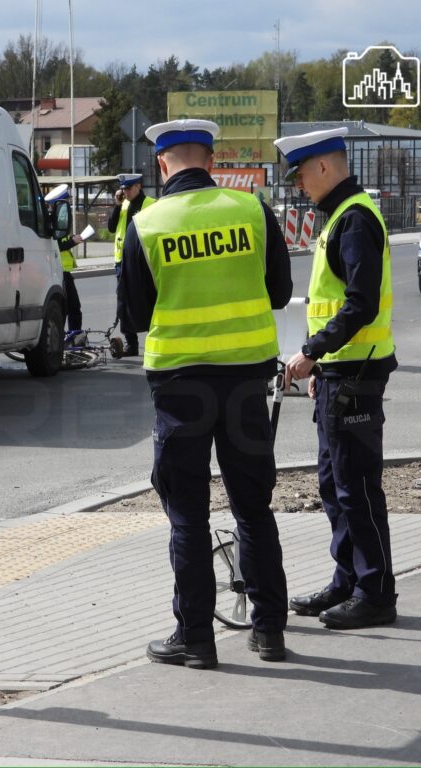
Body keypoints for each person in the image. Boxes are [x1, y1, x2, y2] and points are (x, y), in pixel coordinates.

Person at [121, 119, 292, 668]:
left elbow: (136, 315)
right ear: (211, 161)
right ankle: (269, 631)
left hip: (180, 387)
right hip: (246, 382)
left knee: (187, 516)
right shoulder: (252, 210)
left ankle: (196, 639)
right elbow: (281, 291)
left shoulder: (147, 224)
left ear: (162, 164)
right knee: (253, 509)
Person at [276, 126, 399, 630]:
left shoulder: (353, 220)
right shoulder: (343, 217)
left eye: (301, 175)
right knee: (335, 484)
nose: (299, 185)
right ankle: (347, 581)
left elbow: (359, 304)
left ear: (324, 167)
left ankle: (375, 593)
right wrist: (321, 365)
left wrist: (312, 352)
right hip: (340, 372)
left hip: (356, 373)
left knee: (357, 487)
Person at [108, 173, 155, 356]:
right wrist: (117, 205)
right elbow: (111, 227)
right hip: (122, 261)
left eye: (128, 188)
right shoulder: (124, 204)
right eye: (123, 189)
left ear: (138, 186)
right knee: (124, 302)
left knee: (149, 299)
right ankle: (131, 344)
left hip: (145, 261)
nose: (125, 192)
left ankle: (154, 338)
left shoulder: (150, 204)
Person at [44, 184, 84, 339]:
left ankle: (72, 336)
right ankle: (67, 338)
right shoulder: (53, 221)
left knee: (72, 307)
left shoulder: (56, 220)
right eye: (66, 202)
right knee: (69, 307)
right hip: (59, 270)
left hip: (63, 270)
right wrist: (72, 242)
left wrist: (71, 239)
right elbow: (56, 245)